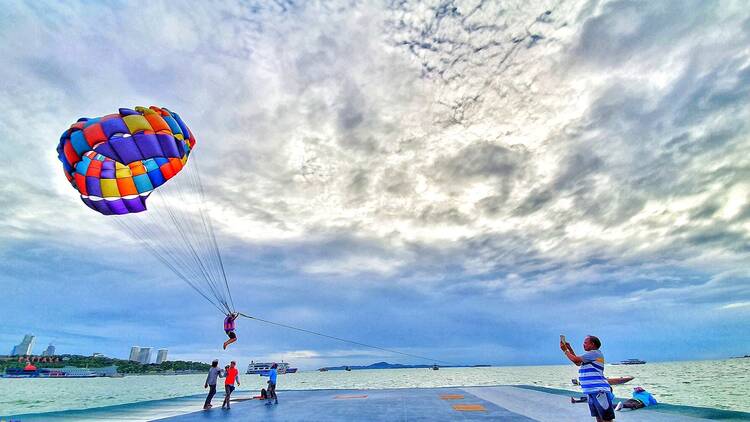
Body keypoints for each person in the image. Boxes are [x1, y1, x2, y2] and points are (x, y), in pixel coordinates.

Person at [561, 335, 615, 422]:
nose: (583, 344)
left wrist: (565, 351)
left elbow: (575, 360)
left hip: (599, 391)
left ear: (592, 344)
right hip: (591, 391)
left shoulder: (595, 353)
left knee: (606, 419)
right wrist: (569, 349)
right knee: (599, 417)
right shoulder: (590, 356)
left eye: (586, 343)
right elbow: (578, 362)